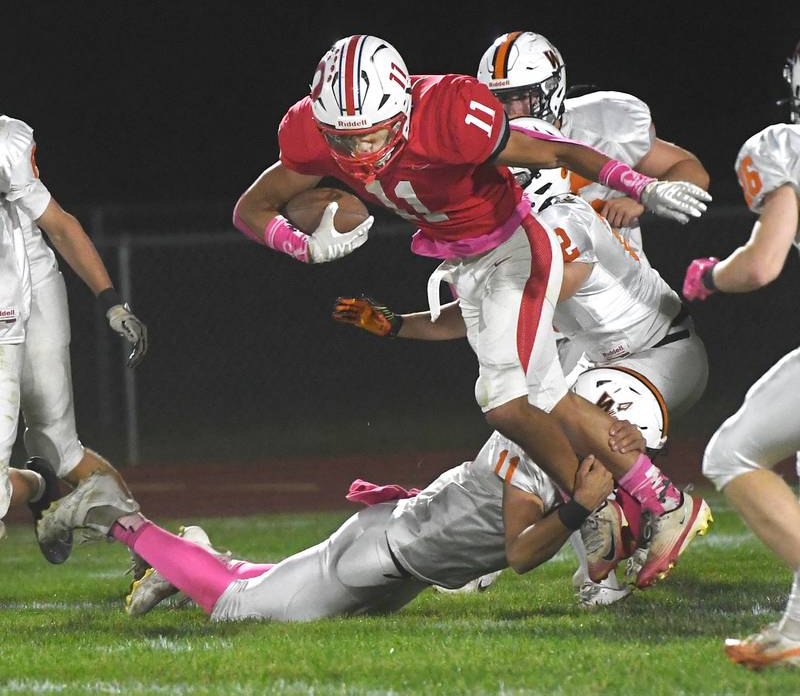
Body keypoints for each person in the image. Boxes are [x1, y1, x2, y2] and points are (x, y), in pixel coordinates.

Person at [232, 34, 711, 588]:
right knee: (525, 422)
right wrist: (317, 255)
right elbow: (252, 207)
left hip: (647, 347)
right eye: (346, 138)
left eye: (374, 134)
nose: (362, 154)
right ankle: (612, 508)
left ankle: (640, 509)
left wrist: (643, 187)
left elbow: (560, 171)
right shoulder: (322, 132)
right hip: (526, 303)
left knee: (523, 401)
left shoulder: (551, 198)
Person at [334, 122, 711, 600]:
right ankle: (606, 529)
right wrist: (397, 325)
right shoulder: (531, 230)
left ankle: (665, 505)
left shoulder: (563, 221)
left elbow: (531, 306)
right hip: (611, 362)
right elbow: (488, 317)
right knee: (532, 427)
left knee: (549, 399)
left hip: (662, 354)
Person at [37, 420, 643, 621]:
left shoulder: (543, 436)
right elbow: (519, 552)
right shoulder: (531, 446)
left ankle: (199, 555)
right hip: (381, 554)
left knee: (271, 585)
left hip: (400, 564)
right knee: (238, 608)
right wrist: (580, 507)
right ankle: (114, 515)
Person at [682, 41, 800, 669]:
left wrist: (709, 275)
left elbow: (760, 265)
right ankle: (793, 633)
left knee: (732, 453)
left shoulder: (787, 148)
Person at [0, 115, 147, 562]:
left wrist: (111, 300)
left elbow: (59, 225)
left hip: (19, 290)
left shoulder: (6, 145)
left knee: (59, 447)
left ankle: (150, 552)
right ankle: (39, 486)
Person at [477, 30, 711, 264]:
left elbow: (690, 169)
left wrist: (642, 199)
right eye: (500, 100)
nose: (512, 112)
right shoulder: (481, 151)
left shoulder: (602, 128)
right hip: (529, 285)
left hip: (619, 285)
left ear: (552, 89)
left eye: (521, 97)